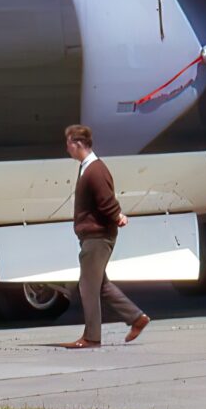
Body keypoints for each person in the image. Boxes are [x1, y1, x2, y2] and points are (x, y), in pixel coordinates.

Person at [58, 123, 148, 349]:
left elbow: (106, 200)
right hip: (93, 235)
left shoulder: (95, 170)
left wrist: (117, 215)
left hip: (97, 237)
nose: (67, 148)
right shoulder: (87, 168)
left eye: (68, 143)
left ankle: (91, 337)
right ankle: (137, 318)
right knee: (100, 285)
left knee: (87, 286)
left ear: (77, 144)